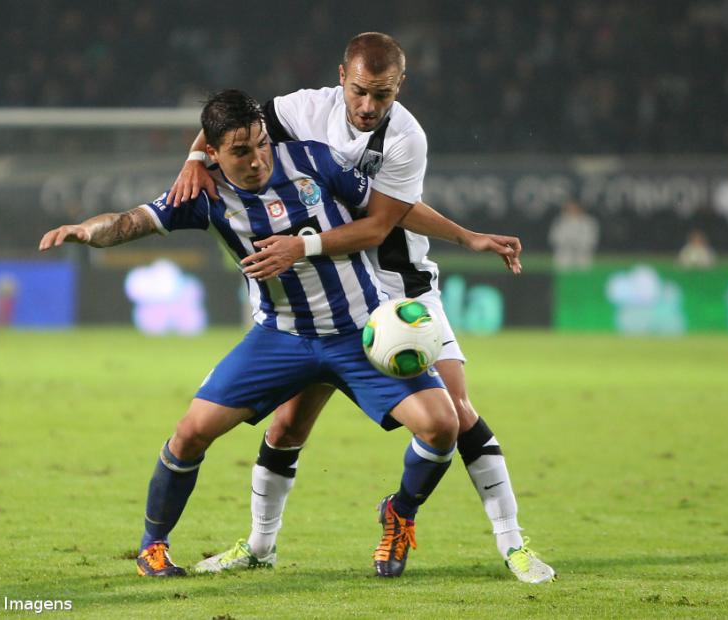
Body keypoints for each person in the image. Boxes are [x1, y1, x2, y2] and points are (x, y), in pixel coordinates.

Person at [171, 33, 554, 583]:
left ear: (400, 87)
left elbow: (382, 220)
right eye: (359, 92)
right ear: (340, 78)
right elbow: (229, 125)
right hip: (329, 292)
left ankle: (500, 541)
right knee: (286, 424)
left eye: (383, 94)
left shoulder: (406, 137)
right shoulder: (303, 110)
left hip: (400, 290)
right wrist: (193, 157)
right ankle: (259, 545)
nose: (369, 106)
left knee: (457, 413)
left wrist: (465, 238)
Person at [39, 90, 460, 578]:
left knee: (441, 426)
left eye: (261, 144)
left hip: (360, 332)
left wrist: (467, 237)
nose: (258, 159)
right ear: (212, 153)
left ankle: (399, 513)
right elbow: (133, 221)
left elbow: (391, 212)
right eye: (241, 152)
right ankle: (153, 547)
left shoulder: (312, 159)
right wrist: (87, 231)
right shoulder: (204, 195)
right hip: (280, 339)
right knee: (190, 432)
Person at [549, 198, 599, 271]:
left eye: (575, 207)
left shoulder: (589, 222)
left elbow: (592, 240)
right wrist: (568, 243)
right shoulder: (560, 221)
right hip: (564, 255)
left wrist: (577, 244)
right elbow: (554, 238)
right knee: (562, 266)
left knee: (583, 271)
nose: (572, 209)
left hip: (583, 255)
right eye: (570, 207)